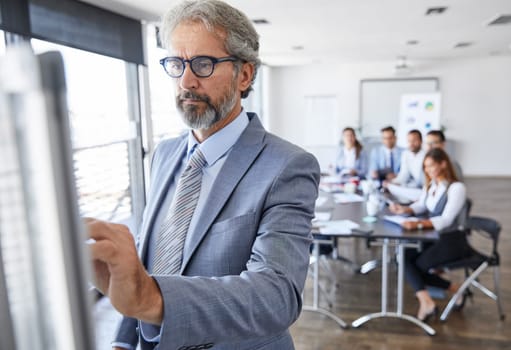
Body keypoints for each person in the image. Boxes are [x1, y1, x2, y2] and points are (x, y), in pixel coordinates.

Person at [86, 1, 320, 349]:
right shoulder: (164, 154)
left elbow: (276, 295)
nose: (187, 80)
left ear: (245, 75)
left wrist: (151, 299)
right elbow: (151, 259)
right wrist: (124, 340)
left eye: (203, 64)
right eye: (177, 63)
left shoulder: (288, 166)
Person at [388, 148, 470, 322]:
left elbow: (446, 220)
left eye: (431, 166)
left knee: (416, 266)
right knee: (402, 257)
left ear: (443, 164)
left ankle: (431, 301)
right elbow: (421, 206)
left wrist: (417, 223)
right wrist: (405, 209)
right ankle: (431, 299)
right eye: (426, 167)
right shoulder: (432, 185)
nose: (428, 170)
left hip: (452, 240)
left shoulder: (457, 188)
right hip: (432, 237)